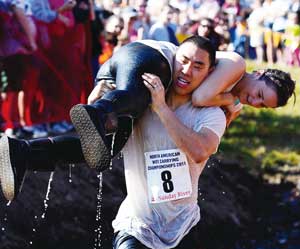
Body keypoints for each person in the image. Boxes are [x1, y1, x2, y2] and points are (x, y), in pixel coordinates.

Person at [0, 38, 295, 201]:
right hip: (145, 58)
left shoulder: (228, 92)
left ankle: (23, 153)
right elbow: (200, 98)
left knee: (104, 152)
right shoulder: (236, 64)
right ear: (258, 75)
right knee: (133, 98)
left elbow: (206, 138)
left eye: (261, 105)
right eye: (259, 93)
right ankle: (99, 113)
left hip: (125, 76)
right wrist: (230, 102)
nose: (252, 102)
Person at [113, 35, 225, 249]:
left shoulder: (211, 114)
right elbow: (99, 113)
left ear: (209, 73)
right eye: (183, 61)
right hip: (138, 219)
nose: (187, 70)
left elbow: (200, 149)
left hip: (182, 222)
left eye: (198, 66)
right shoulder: (139, 101)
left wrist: (162, 108)